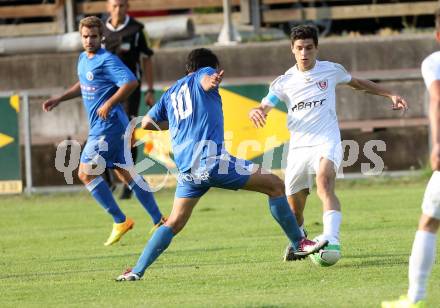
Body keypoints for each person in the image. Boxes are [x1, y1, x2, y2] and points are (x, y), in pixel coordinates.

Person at [115, 48, 328, 281]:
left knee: (174, 222)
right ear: (209, 66)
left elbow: (146, 123)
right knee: (275, 186)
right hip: (212, 161)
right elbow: (206, 80)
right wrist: (212, 79)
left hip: (187, 170)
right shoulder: (205, 73)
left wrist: (176, 123)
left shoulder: (170, 92)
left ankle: (136, 271)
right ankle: (299, 242)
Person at [249, 25, 409, 261]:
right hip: (299, 148)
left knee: (324, 183)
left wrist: (389, 94)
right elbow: (267, 104)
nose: (304, 53)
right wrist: (257, 110)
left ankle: (331, 240)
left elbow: (358, 83)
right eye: (300, 48)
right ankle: (300, 238)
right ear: (292, 50)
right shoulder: (284, 82)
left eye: (309, 48)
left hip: (327, 139)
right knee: (295, 210)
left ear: (316, 48)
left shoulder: (331, 71)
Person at [42, 16, 165, 246]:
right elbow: (83, 83)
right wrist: (61, 98)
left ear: (102, 37)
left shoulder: (107, 60)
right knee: (126, 172)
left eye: (94, 36)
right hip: (109, 127)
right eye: (85, 37)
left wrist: (109, 103)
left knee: (85, 173)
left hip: (107, 127)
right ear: (81, 37)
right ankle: (159, 220)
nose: (89, 40)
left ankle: (120, 220)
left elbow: (130, 82)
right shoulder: (83, 59)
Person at [381, 10, 440, 308]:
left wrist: (438, 143)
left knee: (429, 222)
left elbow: (438, 98)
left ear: (438, 35)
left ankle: (415, 297)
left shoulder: (434, 62)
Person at [102, 0, 156, 199]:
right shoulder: (99, 30)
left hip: (130, 90)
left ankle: (129, 184)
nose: (118, 9)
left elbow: (147, 58)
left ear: (128, 7)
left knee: (127, 137)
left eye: (122, 5)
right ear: (108, 7)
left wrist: (150, 90)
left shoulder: (137, 29)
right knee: (102, 134)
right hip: (105, 91)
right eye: (114, 5)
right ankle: (108, 179)